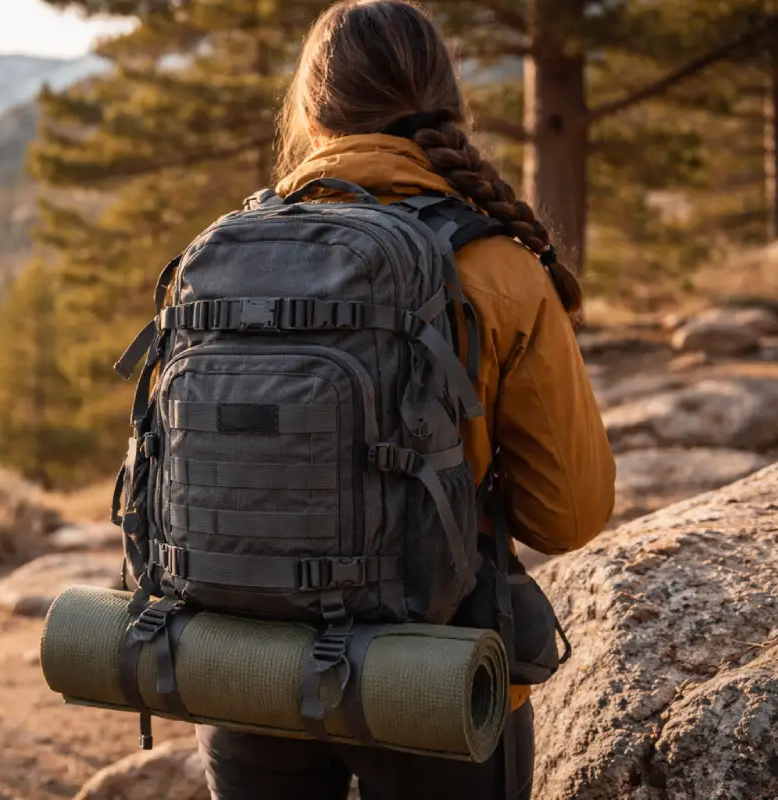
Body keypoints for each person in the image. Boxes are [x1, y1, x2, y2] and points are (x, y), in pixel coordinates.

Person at [194, 1, 616, 798]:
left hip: (240, 665)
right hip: (428, 674)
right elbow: (570, 515)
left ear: (311, 109)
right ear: (449, 101)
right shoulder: (497, 267)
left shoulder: (222, 252)